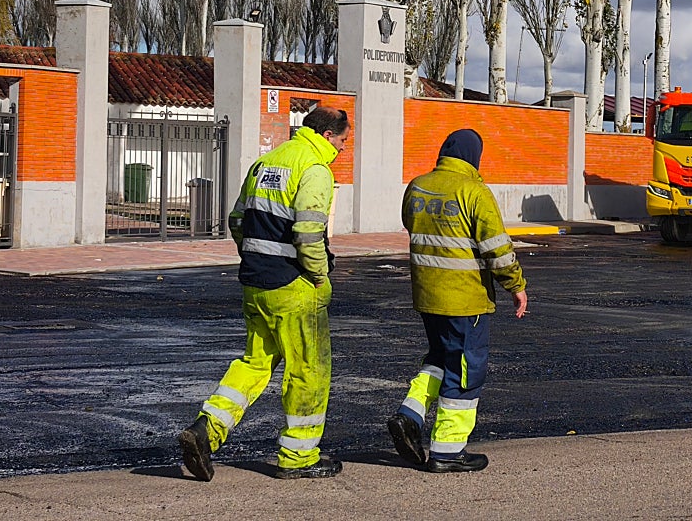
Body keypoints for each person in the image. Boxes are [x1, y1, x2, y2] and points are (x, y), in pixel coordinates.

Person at [178, 105, 351, 482]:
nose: (342, 148)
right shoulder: (314, 168)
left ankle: (206, 428)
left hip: (256, 283)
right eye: (342, 140)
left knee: (255, 363)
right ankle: (299, 456)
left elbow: (237, 220)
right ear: (327, 135)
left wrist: (256, 257)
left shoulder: (266, 163)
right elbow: (308, 234)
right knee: (308, 369)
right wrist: (319, 275)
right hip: (294, 286)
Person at [386, 128, 528, 474]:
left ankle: (410, 414)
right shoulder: (474, 192)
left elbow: (411, 226)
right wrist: (516, 285)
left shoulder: (417, 186)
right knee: (466, 372)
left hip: (427, 296)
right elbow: (496, 248)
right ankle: (448, 451)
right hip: (465, 300)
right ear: (473, 156)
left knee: (439, 358)